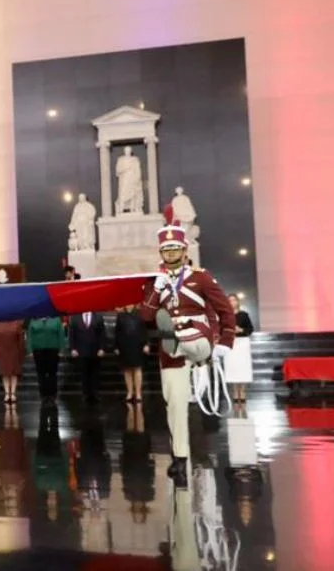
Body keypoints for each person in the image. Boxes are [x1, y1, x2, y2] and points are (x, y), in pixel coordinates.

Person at [139, 208, 235, 487]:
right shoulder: (154, 283)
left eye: (175, 249)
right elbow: (145, 317)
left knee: (193, 339)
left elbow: (225, 310)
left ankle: (190, 345)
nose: (170, 255)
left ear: (183, 250)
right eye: (166, 250)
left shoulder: (200, 278)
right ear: (161, 253)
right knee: (175, 404)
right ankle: (179, 459)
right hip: (171, 350)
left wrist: (225, 343)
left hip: (199, 337)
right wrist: (156, 291)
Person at [69, 307, 107, 403]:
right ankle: (85, 394)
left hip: (95, 351)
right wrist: (73, 348)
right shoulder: (75, 318)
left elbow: (102, 334)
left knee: (95, 373)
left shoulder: (98, 317)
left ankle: (95, 393)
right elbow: (72, 334)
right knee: (84, 374)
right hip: (81, 351)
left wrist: (102, 348)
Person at [114, 304, 149, 402]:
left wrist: (146, 344)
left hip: (137, 345)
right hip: (124, 346)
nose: (128, 305)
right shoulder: (120, 316)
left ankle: (138, 393)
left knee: (137, 369)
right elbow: (117, 332)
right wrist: (116, 346)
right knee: (127, 370)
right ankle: (129, 392)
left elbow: (144, 331)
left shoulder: (139, 315)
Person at [225, 294, 255, 403]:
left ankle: (242, 391)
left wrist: (241, 330)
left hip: (242, 343)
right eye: (230, 300)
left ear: (238, 302)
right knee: (232, 367)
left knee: (242, 367)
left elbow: (250, 329)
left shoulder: (244, 315)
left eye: (234, 300)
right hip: (231, 343)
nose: (232, 302)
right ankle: (234, 391)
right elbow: (221, 329)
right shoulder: (225, 315)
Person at [26, 316, 65, 402]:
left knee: (52, 372)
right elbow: (30, 335)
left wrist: (62, 349)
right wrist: (30, 350)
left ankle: (53, 394)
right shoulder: (33, 320)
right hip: (38, 350)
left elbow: (61, 334)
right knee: (41, 373)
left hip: (53, 349)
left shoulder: (56, 319)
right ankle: (43, 394)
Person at [0, 320, 24, 404]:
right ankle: (7, 393)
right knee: (4, 373)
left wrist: (21, 351)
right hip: (2, 351)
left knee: (14, 373)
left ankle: (13, 393)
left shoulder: (17, 323)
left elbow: (21, 339)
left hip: (14, 350)